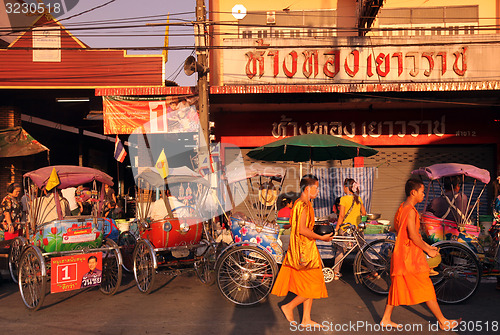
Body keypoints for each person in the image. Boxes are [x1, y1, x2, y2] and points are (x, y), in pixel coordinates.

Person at [380, 178, 461, 330]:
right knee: (426, 287)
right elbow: (413, 235)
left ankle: (385, 318)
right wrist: (428, 249)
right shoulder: (410, 210)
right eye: (422, 192)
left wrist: (425, 245)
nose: (424, 195)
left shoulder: (402, 207)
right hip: (409, 257)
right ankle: (443, 321)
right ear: (413, 192)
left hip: (401, 254)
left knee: (396, 286)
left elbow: (399, 228)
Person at [271, 174, 334, 328]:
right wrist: (322, 238)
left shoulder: (302, 204)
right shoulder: (303, 205)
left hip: (305, 249)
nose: (318, 191)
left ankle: (306, 318)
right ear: (308, 188)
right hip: (304, 252)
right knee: (314, 284)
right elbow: (302, 229)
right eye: (316, 188)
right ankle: (289, 306)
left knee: (308, 284)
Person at [333, 178, 367, 280]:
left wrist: (337, 228)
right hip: (357, 229)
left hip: (346, 228)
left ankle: (336, 273)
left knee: (341, 250)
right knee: (362, 250)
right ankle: (373, 271)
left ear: (347, 187)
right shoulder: (358, 198)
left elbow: (341, 216)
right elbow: (364, 213)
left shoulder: (343, 199)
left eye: (344, 186)